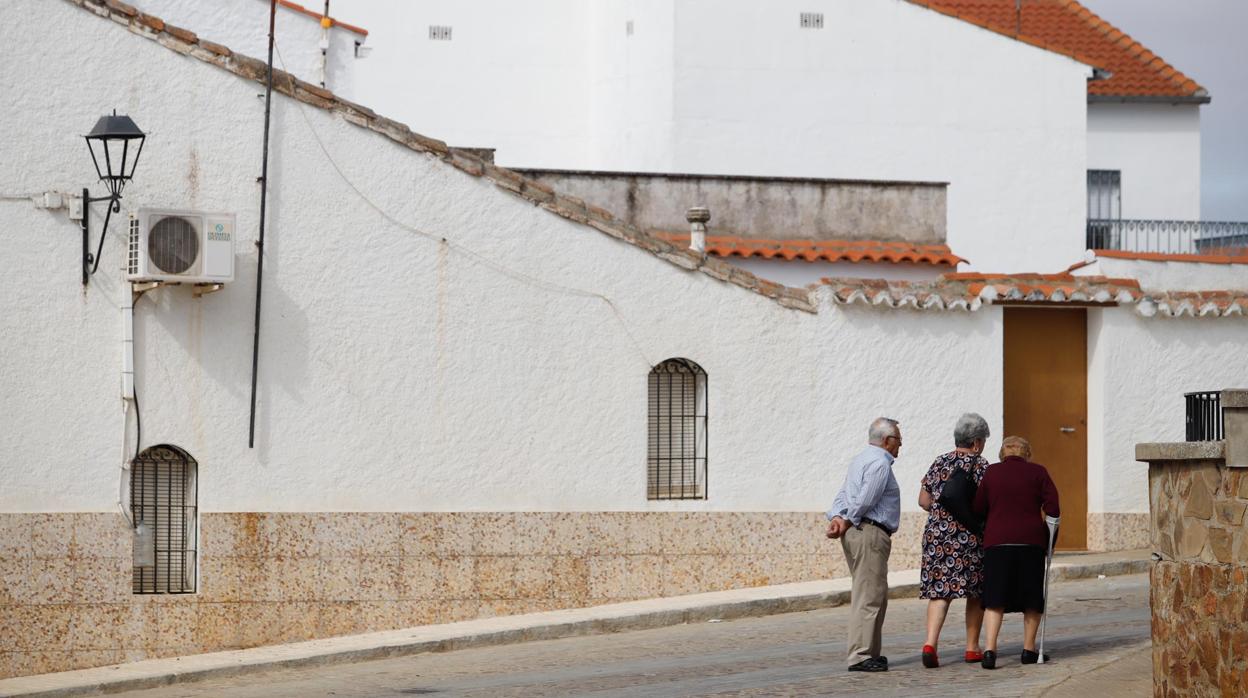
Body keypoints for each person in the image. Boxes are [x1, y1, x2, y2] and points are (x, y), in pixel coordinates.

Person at [972, 435, 1060, 670]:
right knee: (1032, 598)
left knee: (994, 598)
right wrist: (1049, 542)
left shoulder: (991, 473)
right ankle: (1029, 650)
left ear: (1003, 453)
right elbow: (1053, 509)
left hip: (997, 543)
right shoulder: (1039, 472)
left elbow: (979, 507)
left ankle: (990, 650)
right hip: (1031, 543)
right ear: (1027, 453)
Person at [826, 417, 902, 673]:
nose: (901, 446)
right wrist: (847, 519)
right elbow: (865, 498)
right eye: (899, 440)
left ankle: (870, 651)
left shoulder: (860, 459)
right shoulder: (880, 463)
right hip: (868, 530)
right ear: (887, 440)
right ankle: (860, 655)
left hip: (860, 530)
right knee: (869, 595)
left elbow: (844, 493)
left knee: (873, 593)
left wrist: (837, 516)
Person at [917, 413, 991, 668]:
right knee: (976, 592)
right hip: (969, 537)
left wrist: (941, 514)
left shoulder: (940, 462)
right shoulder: (982, 466)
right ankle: (972, 647)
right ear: (977, 443)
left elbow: (923, 500)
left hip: (938, 535)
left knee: (940, 593)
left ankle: (930, 643)